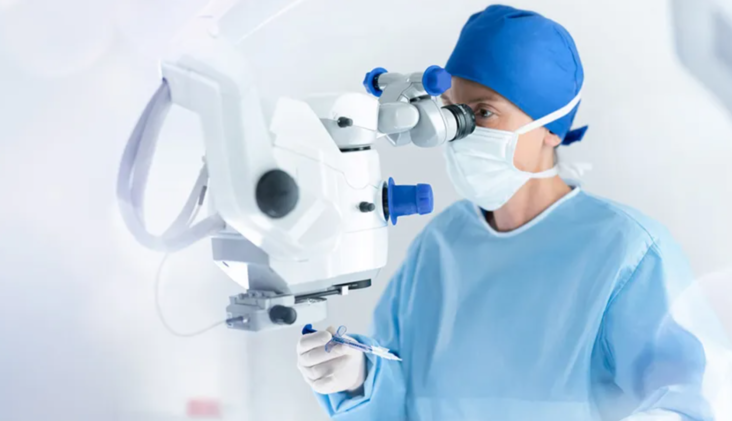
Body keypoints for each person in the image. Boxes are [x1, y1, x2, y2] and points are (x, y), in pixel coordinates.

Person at [296, 5, 719, 421]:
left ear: (551, 129)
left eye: (482, 112)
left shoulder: (627, 252)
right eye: (451, 110)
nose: (460, 132)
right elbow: (401, 393)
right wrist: (360, 378)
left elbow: (690, 398)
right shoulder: (440, 246)